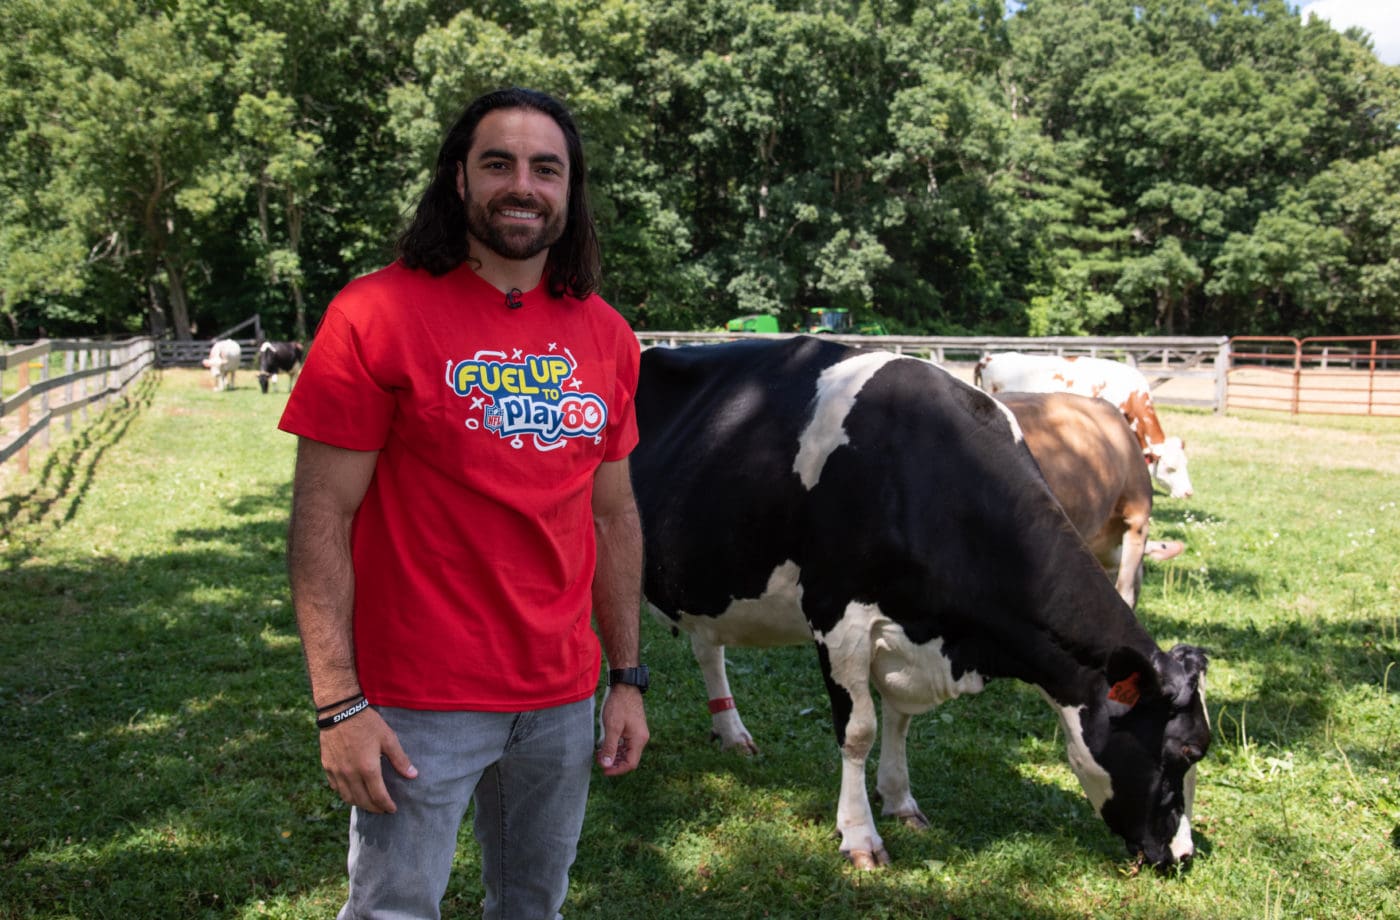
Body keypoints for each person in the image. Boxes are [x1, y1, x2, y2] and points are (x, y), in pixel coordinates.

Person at [280, 87, 649, 920]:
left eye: (545, 168)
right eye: (499, 163)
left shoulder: (607, 336)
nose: (523, 184)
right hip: (420, 698)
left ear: (569, 189)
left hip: (560, 697)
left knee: (532, 908)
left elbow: (613, 515)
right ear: (459, 179)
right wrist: (339, 702)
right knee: (394, 911)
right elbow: (321, 517)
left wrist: (626, 678)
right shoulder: (375, 313)